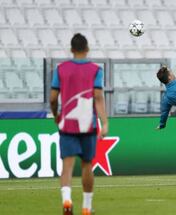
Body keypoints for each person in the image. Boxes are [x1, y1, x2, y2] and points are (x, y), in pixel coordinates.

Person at [50, 33, 108, 215]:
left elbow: (53, 98)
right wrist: (104, 122)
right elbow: (98, 97)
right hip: (87, 124)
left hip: (67, 123)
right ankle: (87, 206)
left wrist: (56, 114)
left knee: (67, 166)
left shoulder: (61, 69)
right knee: (86, 164)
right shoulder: (95, 70)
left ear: (72, 49)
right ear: (87, 49)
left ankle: (66, 200)